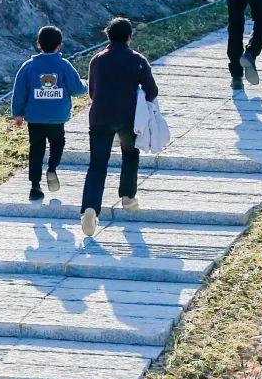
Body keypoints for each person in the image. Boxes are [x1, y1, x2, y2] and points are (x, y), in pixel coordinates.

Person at [79, 18, 159, 239]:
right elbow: (152, 91)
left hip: (99, 118)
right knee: (130, 154)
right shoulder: (138, 60)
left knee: (97, 165)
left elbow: (92, 93)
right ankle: (127, 197)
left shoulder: (97, 60)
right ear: (129, 36)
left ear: (108, 36)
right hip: (128, 118)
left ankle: (90, 208)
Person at [10, 24, 87, 200]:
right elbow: (76, 89)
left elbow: (19, 91)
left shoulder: (28, 67)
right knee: (57, 142)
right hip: (57, 116)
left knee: (36, 148)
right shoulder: (63, 65)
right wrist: (86, 85)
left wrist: (18, 114)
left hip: (34, 117)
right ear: (59, 45)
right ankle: (52, 168)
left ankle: (35, 187)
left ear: (38, 44)